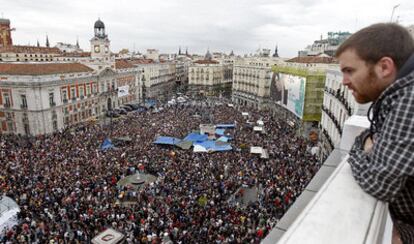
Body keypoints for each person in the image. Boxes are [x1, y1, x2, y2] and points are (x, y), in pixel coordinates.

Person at [336, 23, 414, 244]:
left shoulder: (410, 99)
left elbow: (377, 182)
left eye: (349, 70)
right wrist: (367, 142)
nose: (344, 81)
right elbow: (367, 137)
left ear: (384, 67)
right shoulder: (396, 98)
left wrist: (360, 149)